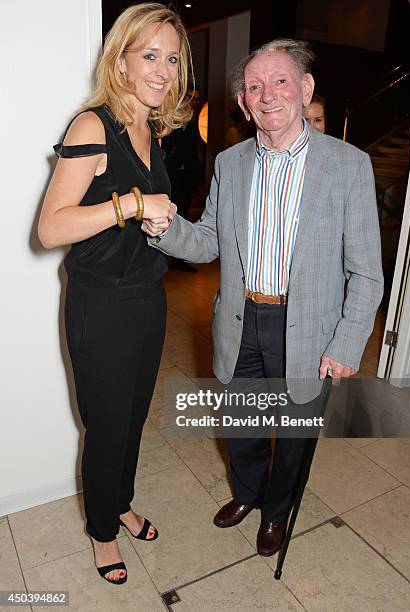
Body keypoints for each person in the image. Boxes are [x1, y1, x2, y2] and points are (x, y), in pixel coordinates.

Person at [143, 39, 383, 557]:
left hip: (312, 325)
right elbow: (208, 239)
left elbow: (366, 272)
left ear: (305, 88)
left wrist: (346, 344)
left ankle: (277, 510)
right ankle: (248, 493)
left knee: (294, 435)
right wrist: (163, 227)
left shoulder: (347, 165)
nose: (267, 94)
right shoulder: (230, 164)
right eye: (254, 87)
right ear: (244, 103)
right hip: (241, 316)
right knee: (241, 423)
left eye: (279, 81)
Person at [38, 3, 192, 584]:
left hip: (148, 301)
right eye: (149, 55)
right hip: (99, 307)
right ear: (121, 59)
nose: (162, 69)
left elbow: (133, 216)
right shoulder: (92, 125)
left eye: (172, 58)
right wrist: (128, 206)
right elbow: (51, 228)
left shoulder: (145, 127)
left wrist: (155, 220)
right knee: (105, 426)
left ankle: (119, 502)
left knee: (130, 422)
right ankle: (103, 531)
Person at [162, 89, 202, 272]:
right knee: (167, 215)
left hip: (187, 173)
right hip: (171, 173)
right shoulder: (169, 115)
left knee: (184, 213)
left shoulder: (195, 120)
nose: (193, 102)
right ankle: (163, 257)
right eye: (190, 98)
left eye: (196, 99)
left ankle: (178, 258)